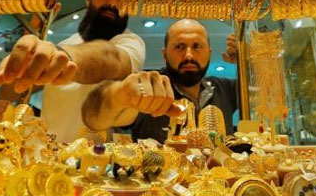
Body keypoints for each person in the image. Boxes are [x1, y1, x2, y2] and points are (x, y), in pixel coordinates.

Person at [0, 0, 145, 143]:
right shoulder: (65, 44)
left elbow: (110, 58)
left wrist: (63, 57)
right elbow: (12, 92)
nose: (113, 2)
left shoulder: (131, 43)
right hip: (46, 161)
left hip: (96, 166)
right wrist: (17, 69)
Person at [82, 19, 237, 143]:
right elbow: (94, 118)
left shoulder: (225, 89)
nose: (189, 55)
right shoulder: (148, 88)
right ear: (164, 54)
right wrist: (119, 95)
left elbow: (259, 98)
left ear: (209, 53)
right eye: (179, 47)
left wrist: (247, 60)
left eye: (197, 46)